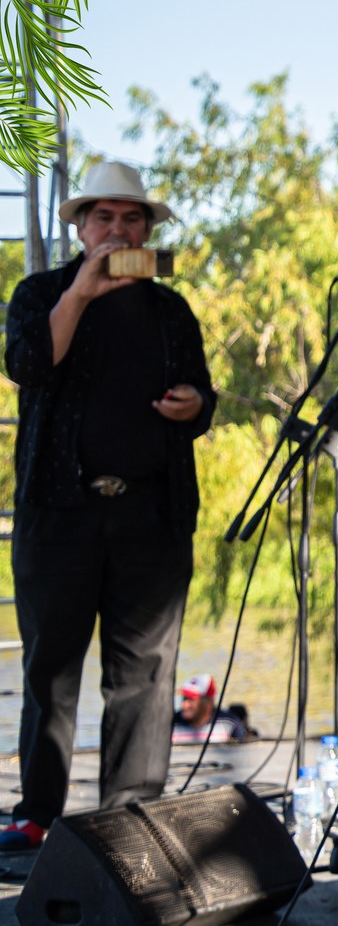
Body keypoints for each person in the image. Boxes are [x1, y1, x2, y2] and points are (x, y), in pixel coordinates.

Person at [2, 162, 216, 851]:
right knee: (50, 668)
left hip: (150, 518)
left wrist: (193, 405)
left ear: (148, 230)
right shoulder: (39, 293)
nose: (117, 230)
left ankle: (130, 821)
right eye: (104, 218)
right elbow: (30, 365)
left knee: (145, 678)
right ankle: (38, 813)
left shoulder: (171, 310)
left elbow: (201, 399)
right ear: (79, 226)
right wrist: (82, 293)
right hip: (57, 513)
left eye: (132, 219)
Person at [171, 674, 250, 744]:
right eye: (184, 698)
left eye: (191, 700)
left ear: (208, 702)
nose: (184, 705)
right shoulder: (171, 724)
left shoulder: (229, 723)